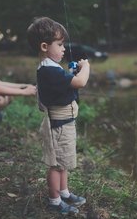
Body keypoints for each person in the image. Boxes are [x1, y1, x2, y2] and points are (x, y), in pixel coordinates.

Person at [27, 17, 90, 215]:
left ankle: (64, 192)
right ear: (45, 46)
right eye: (60, 44)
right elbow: (79, 83)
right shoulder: (48, 70)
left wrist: (71, 71)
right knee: (56, 164)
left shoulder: (51, 68)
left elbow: (65, 83)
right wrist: (86, 67)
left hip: (65, 123)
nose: (64, 48)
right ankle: (54, 201)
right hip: (59, 125)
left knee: (63, 161)